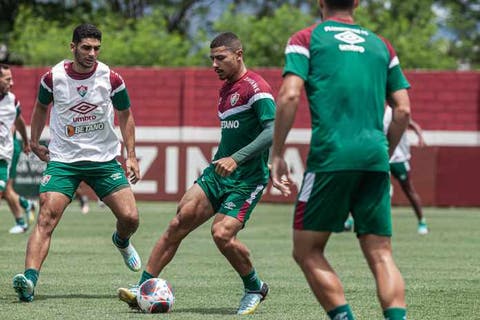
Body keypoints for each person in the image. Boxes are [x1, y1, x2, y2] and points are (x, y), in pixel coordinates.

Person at [271, 1, 411, 319]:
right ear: (357, 2)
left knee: (307, 250)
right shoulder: (381, 46)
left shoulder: (306, 39)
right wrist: (384, 154)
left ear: (321, 2)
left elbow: (290, 95)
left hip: (330, 157)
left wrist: (277, 153)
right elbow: (403, 109)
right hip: (375, 158)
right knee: (381, 253)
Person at [117, 32, 275, 315]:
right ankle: (143, 288)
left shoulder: (256, 88)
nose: (214, 64)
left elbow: (273, 131)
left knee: (222, 234)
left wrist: (237, 159)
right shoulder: (226, 88)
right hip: (217, 174)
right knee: (180, 220)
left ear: (239, 55)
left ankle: (254, 287)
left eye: (221, 58)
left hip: (247, 179)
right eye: (212, 58)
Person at [12, 23, 142, 302]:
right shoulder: (53, 78)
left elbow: (125, 115)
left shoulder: (112, 78)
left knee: (130, 218)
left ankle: (121, 241)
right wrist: (34, 141)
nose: (92, 53)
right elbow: (40, 108)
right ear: (73, 47)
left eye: (96, 48)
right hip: (64, 161)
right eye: (86, 48)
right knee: (46, 217)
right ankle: (29, 281)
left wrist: (131, 155)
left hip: (104, 160)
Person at [344, 107, 428, 235]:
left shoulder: (394, 111)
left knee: (408, 189)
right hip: (379, 157)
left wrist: (420, 136)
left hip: (398, 158)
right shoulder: (371, 112)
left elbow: (412, 123)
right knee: (360, 186)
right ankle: (350, 219)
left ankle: (422, 221)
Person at [0, 64, 35, 234]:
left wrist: (27, 142)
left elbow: (19, 121)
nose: (12, 83)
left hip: (5, 154)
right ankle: (26, 205)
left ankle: (22, 221)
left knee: (4, 190)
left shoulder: (12, 100)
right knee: (6, 190)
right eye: (8, 80)